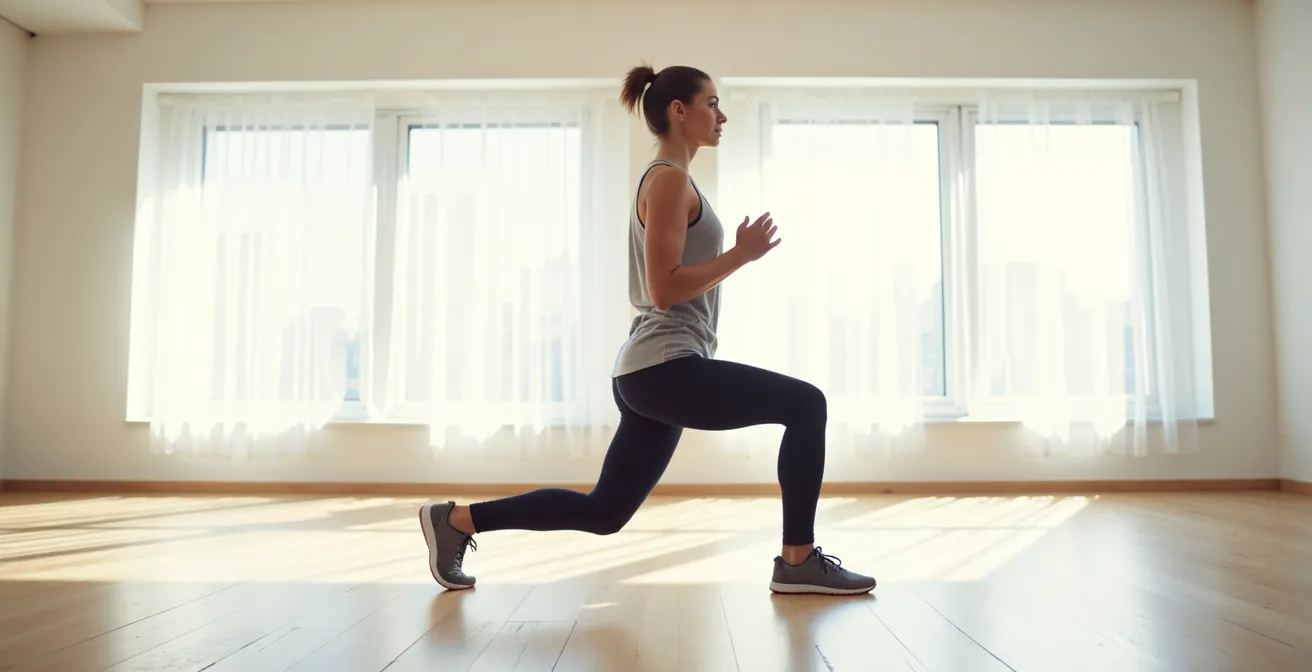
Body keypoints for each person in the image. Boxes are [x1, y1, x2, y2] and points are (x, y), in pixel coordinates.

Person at [419, 64, 876, 596]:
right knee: (806, 405)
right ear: (679, 111)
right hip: (664, 367)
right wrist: (740, 255)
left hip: (651, 371)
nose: (721, 115)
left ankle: (455, 521)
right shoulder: (668, 180)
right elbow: (665, 287)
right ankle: (797, 561)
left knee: (605, 511)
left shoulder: (672, 180)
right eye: (711, 103)